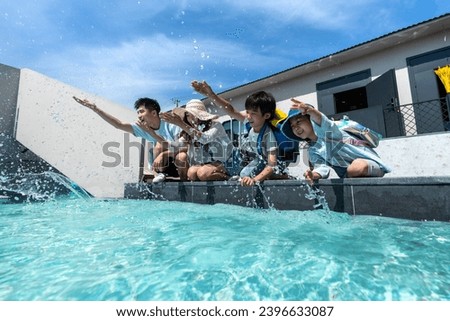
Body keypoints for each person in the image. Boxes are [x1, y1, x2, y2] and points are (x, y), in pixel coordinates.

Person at [191, 80, 288, 187]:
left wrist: (255, 180)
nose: (249, 116)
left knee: (244, 174)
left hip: (259, 161)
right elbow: (231, 110)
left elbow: (271, 164)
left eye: (253, 113)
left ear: (266, 116)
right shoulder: (249, 121)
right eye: (247, 112)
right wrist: (211, 94)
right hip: (242, 158)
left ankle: (274, 176)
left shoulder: (268, 135)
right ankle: (232, 176)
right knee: (208, 172)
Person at [72, 96, 183, 183]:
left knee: (161, 146)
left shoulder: (170, 124)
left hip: (180, 162)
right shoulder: (142, 128)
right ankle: (160, 173)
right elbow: (118, 125)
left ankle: (185, 181)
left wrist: (164, 154)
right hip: (162, 166)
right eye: (138, 112)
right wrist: (95, 109)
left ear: (154, 113)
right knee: (156, 148)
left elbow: (183, 147)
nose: (139, 115)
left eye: (141, 111)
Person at [280, 99, 391, 182]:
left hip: (370, 166)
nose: (295, 127)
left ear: (310, 120)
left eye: (299, 122)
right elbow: (322, 168)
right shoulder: (313, 150)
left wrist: (311, 111)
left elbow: (322, 121)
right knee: (353, 169)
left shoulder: (330, 131)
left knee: (357, 166)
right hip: (348, 175)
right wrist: (313, 175)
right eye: (292, 126)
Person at [160, 99, 238, 181]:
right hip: (208, 164)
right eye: (187, 115)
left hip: (227, 163)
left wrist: (180, 124)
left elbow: (204, 138)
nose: (190, 118)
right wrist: (152, 132)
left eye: (192, 114)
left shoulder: (216, 126)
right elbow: (175, 146)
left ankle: (230, 178)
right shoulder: (189, 132)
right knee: (191, 173)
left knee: (203, 173)